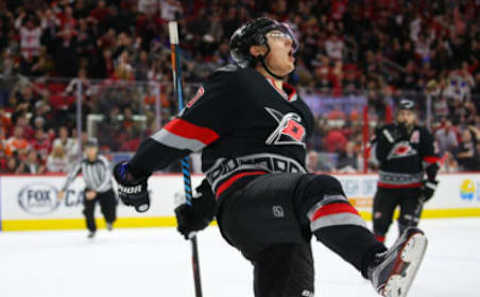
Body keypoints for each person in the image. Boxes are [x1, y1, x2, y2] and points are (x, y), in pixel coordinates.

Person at [113, 18, 427, 297]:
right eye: (279, 36)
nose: (291, 42)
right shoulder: (236, 82)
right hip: (244, 205)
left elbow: (265, 162)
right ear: (255, 49)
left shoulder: (300, 110)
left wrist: (200, 211)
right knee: (319, 188)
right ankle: (375, 262)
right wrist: (133, 173)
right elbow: (180, 134)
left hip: (288, 221)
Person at [372, 99, 440, 243]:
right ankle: (376, 257)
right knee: (379, 225)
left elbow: (431, 160)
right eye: (402, 113)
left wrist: (431, 182)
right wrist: (388, 140)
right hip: (386, 189)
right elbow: (376, 158)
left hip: (412, 190)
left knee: (408, 227)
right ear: (397, 115)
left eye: (409, 114)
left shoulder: (423, 134)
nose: (405, 117)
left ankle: (401, 257)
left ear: (415, 116)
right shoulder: (386, 131)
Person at [58, 138, 117, 238]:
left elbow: (107, 178)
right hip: (90, 189)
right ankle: (92, 230)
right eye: (88, 148)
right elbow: (72, 175)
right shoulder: (82, 162)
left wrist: (96, 191)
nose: (90, 150)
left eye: (92, 148)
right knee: (88, 211)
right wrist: (63, 189)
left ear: (96, 149)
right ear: (85, 149)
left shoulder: (103, 161)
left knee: (110, 212)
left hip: (105, 190)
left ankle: (109, 221)